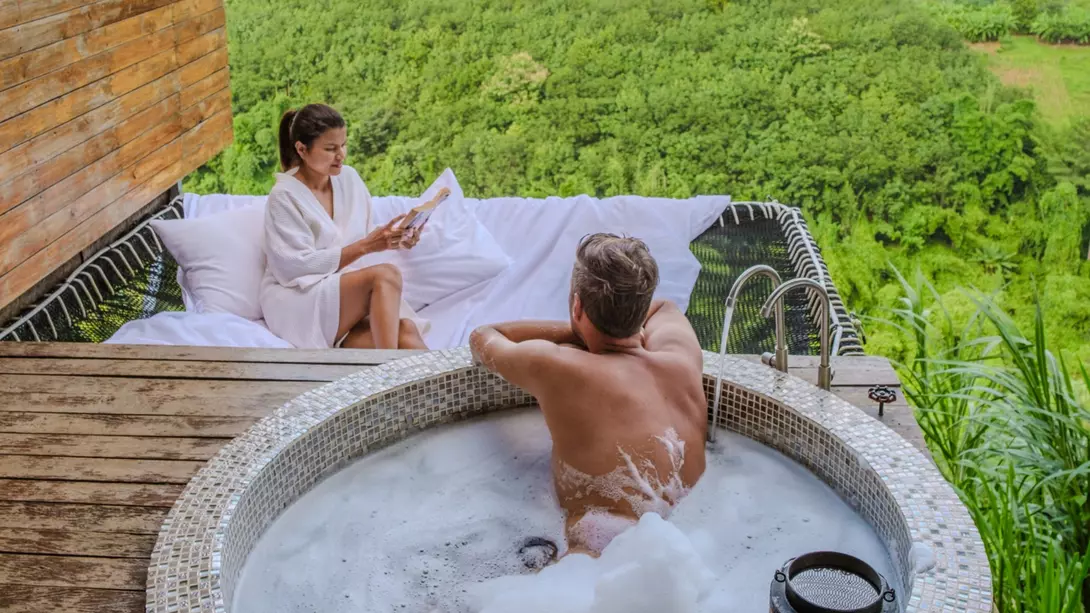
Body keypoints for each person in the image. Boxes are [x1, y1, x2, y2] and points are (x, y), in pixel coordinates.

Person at [469, 233, 707, 558]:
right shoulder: (681, 355)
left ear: (578, 305)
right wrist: (609, 325)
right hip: (695, 538)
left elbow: (483, 338)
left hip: (600, 559)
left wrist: (577, 332)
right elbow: (664, 306)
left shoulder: (557, 366)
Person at [261, 103, 428, 350]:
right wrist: (365, 247)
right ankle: (388, 373)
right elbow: (293, 268)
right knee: (386, 274)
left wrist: (397, 237)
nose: (341, 155)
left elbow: (364, 235)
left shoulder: (348, 179)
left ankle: (455, 388)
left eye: (343, 145)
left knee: (407, 333)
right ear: (302, 149)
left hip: (343, 293)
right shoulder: (284, 197)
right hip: (298, 300)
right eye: (330, 149)